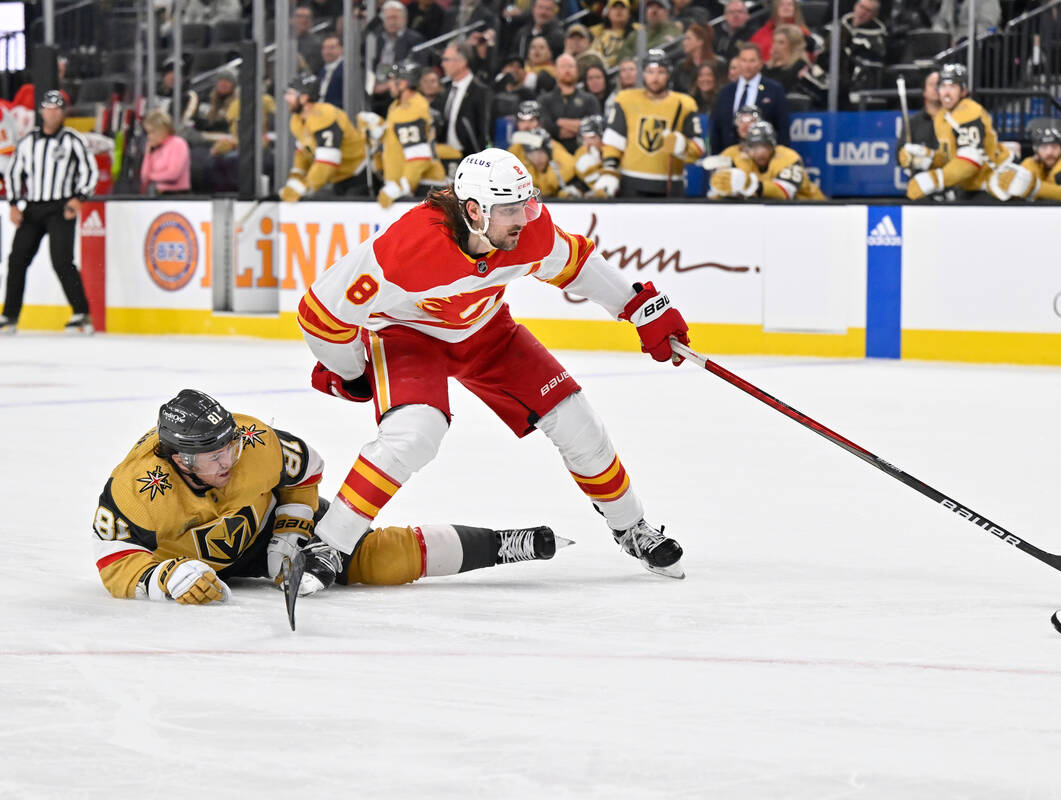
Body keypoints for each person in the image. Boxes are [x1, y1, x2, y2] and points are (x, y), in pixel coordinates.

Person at [297, 149, 690, 578]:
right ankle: (329, 546)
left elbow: (577, 264)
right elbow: (320, 313)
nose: (524, 217)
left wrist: (640, 306)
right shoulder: (404, 249)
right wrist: (351, 371)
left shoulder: (529, 230)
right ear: (473, 211)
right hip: (409, 337)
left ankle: (631, 528)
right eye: (509, 209)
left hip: (487, 332)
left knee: (579, 422)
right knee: (415, 433)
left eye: (527, 203)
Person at [91, 390, 567, 605]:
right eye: (214, 456)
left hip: (268, 524)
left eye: (230, 445)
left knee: (372, 559)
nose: (229, 461)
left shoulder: (254, 441)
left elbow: (307, 470)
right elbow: (112, 559)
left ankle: (504, 544)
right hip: (196, 559)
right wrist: (166, 579)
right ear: (180, 460)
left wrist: (291, 531)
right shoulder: (137, 486)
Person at [0, 90, 97, 335]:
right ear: (41, 111)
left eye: (57, 109)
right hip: (33, 207)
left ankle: (81, 313)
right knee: (17, 259)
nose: (52, 113)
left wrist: (79, 198)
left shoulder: (73, 140)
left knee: (62, 260)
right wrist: (13, 203)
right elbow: (13, 172)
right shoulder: (29, 141)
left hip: (61, 206)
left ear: (63, 113)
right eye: (48, 108)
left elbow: (89, 171)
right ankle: (10, 315)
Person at [598, 49, 706, 198]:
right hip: (631, 181)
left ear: (669, 74)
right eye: (650, 72)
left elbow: (698, 147)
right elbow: (614, 141)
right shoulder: (626, 100)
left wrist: (682, 146)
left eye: (661, 72)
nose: (655, 78)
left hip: (670, 183)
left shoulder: (685, 104)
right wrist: (609, 171)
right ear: (643, 74)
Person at [905, 63, 1011, 201]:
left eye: (952, 86)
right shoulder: (942, 116)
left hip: (990, 185)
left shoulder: (969, 111)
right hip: (968, 186)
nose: (947, 92)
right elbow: (949, 157)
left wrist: (934, 179)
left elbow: (971, 161)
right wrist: (926, 157)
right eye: (943, 86)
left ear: (964, 90)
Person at [279, 73, 368, 202]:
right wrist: (296, 177)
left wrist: (303, 187)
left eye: (291, 93)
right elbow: (303, 153)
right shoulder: (297, 119)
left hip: (358, 175)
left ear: (304, 98)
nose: (286, 98)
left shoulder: (325, 115)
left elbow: (328, 161)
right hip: (337, 178)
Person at [374, 61, 446, 208]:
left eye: (393, 80)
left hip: (422, 186)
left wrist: (401, 187)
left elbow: (419, 156)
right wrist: (379, 127)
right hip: (414, 183)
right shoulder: (398, 106)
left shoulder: (411, 109)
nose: (389, 84)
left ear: (404, 83)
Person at [707, 119, 824, 200]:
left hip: (813, 211)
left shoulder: (789, 157)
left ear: (773, 146)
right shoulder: (742, 159)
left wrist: (749, 185)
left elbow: (784, 192)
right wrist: (726, 190)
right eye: (754, 147)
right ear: (747, 149)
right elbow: (719, 191)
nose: (760, 152)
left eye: (765, 146)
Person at [710, 43, 790, 155]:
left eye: (752, 61)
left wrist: (779, 157)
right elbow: (717, 128)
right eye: (744, 60)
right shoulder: (726, 92)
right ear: (739, 62)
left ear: (760, 63)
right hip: (730, 156)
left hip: (763, 157)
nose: (747, 65)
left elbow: (782, 127)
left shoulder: (774, 89)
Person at [992, 125, 1061, 206]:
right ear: (1036, 150)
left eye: (1054, 147)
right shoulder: (1033, 164)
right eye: (1044, 147)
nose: (1049, 152)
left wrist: (1035, 188)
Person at [818, 0, 887, 105]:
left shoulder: (877, 39)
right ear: (855, 6)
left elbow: (870, 66)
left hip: (854, 85)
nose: (862, 12)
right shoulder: (835, 26)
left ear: (874, 14)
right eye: (861, 7)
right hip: (826, 78)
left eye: (868, 10)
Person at [370, 1, 428, 115]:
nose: (392, 22)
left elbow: (416, 69)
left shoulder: (414, 40)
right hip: (375, 93)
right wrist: (373, 84)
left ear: (405, 19)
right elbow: (372, 65)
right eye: (389, 18)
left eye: (395, 17)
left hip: (400, 93)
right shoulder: (376, 39)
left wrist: (387, 85)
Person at [439, 40, 493, 158]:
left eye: (447, 59)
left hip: (471, 158)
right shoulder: (446, 91)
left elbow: (484, 130)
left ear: (462, 62)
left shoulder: (480, 91)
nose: (443, 64)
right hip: (447, 157)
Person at [538, 53, 602, 152]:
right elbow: (546, 127)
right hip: (552, 154)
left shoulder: (590, 99)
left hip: (584, 153)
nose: (567, 70)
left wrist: (560, 122)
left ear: (577, 70)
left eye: (571, 66)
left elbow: (595, 127)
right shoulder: (544, 100)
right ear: (556, 71)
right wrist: (579, 125)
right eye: (563, 66)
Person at [509, 100, 576, 184]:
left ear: (540, 123)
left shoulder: (552, 146)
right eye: (522, 121)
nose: (526, 126)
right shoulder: (515, 149)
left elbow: (569, 168)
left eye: (531, 120)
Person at [895, 70, 942, 175]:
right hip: (920, 183)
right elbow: (899, 156)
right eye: (931, 84)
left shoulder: (954, 120)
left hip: (948, 182)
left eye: (939, 84)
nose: (936, 88)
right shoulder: (913, 122)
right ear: (924, 91)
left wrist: (930, 159)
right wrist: (909, 159)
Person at [139, 109, 191, 195]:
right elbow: (144, 177)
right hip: (156, 194)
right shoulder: (155, 147)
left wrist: (151, 176)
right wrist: (148, 154)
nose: (149, 136)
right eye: (147, 132)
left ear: (163, 129)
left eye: (152, 132)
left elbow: (173, 174)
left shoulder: (178, 143)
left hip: (177, 195)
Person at [617, 0, 682, 60]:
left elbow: (671, 47)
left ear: (666, 12)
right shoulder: (635, 35)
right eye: (650, 7)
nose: (654, 11)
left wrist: (639, 54)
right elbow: (623, 57)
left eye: (659, 7)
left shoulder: (673, 29)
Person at [563, 113, 606, 196]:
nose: (588, 143)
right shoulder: (581, 153)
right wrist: (578, 190)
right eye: (584, 138)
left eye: (592, 137)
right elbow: (580, 180)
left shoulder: (614, 152)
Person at [674, 23, 723, 94]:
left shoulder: (719, 64)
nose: (684, 43)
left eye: (688, 38)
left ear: (700, 41)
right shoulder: (681, 66)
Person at [589, 0, 639, 68]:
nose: (619, 10)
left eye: (623, 7)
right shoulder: (598, 33)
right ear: (608, 12)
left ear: (629, 13)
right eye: (615, 7)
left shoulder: (638, 30)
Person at [932, 0, 1000, 44]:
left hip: (977, 47)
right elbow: (940, 21)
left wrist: (960, 39)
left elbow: (987, 26)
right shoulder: (948, 1)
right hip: (950, 46)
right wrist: (941, 37)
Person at [291, 5, 325, 75]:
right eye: (299, 16)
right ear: (292, 20)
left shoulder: (318, 43)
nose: (303, 20)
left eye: (307, 17)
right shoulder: (286, 41)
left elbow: (312, 71)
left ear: (311, 21)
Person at [317, 33, 346, 110]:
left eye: (332, 48)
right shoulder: (323, 70)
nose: (327, 52)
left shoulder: (345, 70)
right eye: (324, 48)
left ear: (341, 49)